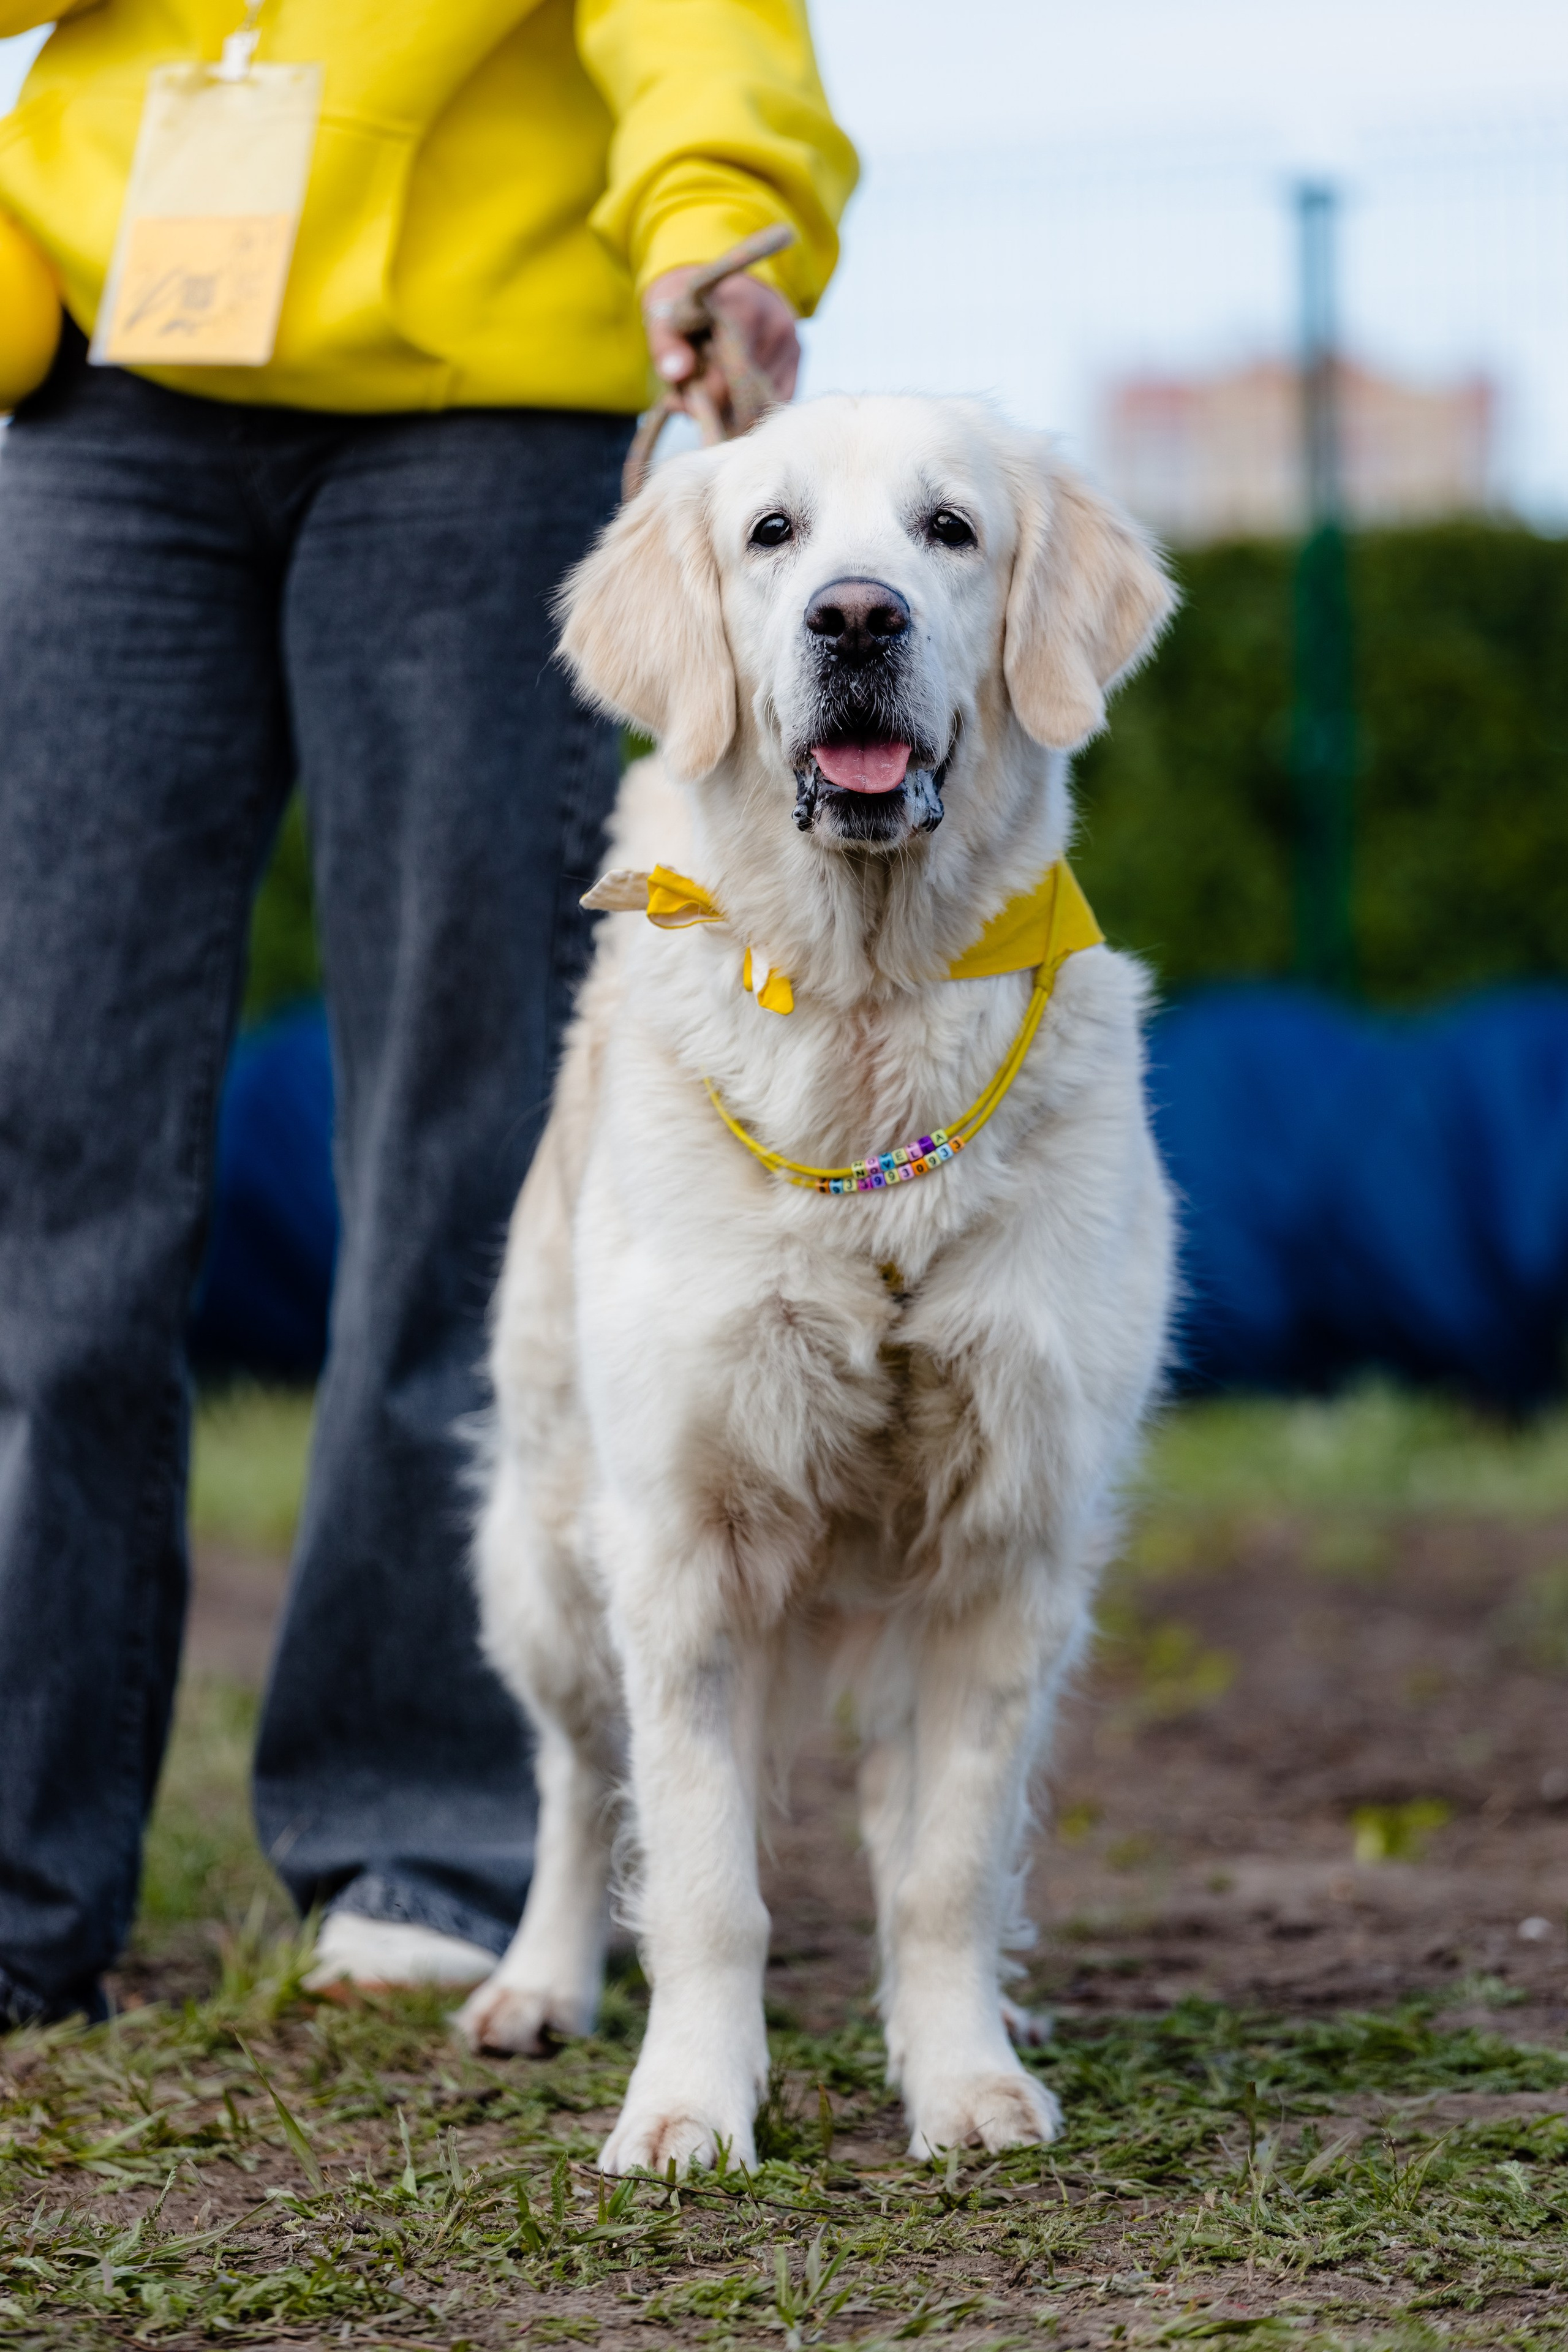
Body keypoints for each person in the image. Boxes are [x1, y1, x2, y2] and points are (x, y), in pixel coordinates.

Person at [0, 0, 855, 2029]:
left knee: (459, 1135)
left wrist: (720, 224)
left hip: (480, 427)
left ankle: (423, 1831)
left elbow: (698, 25)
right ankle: (21, 1880)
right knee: (48, 1142)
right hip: (100, 399)